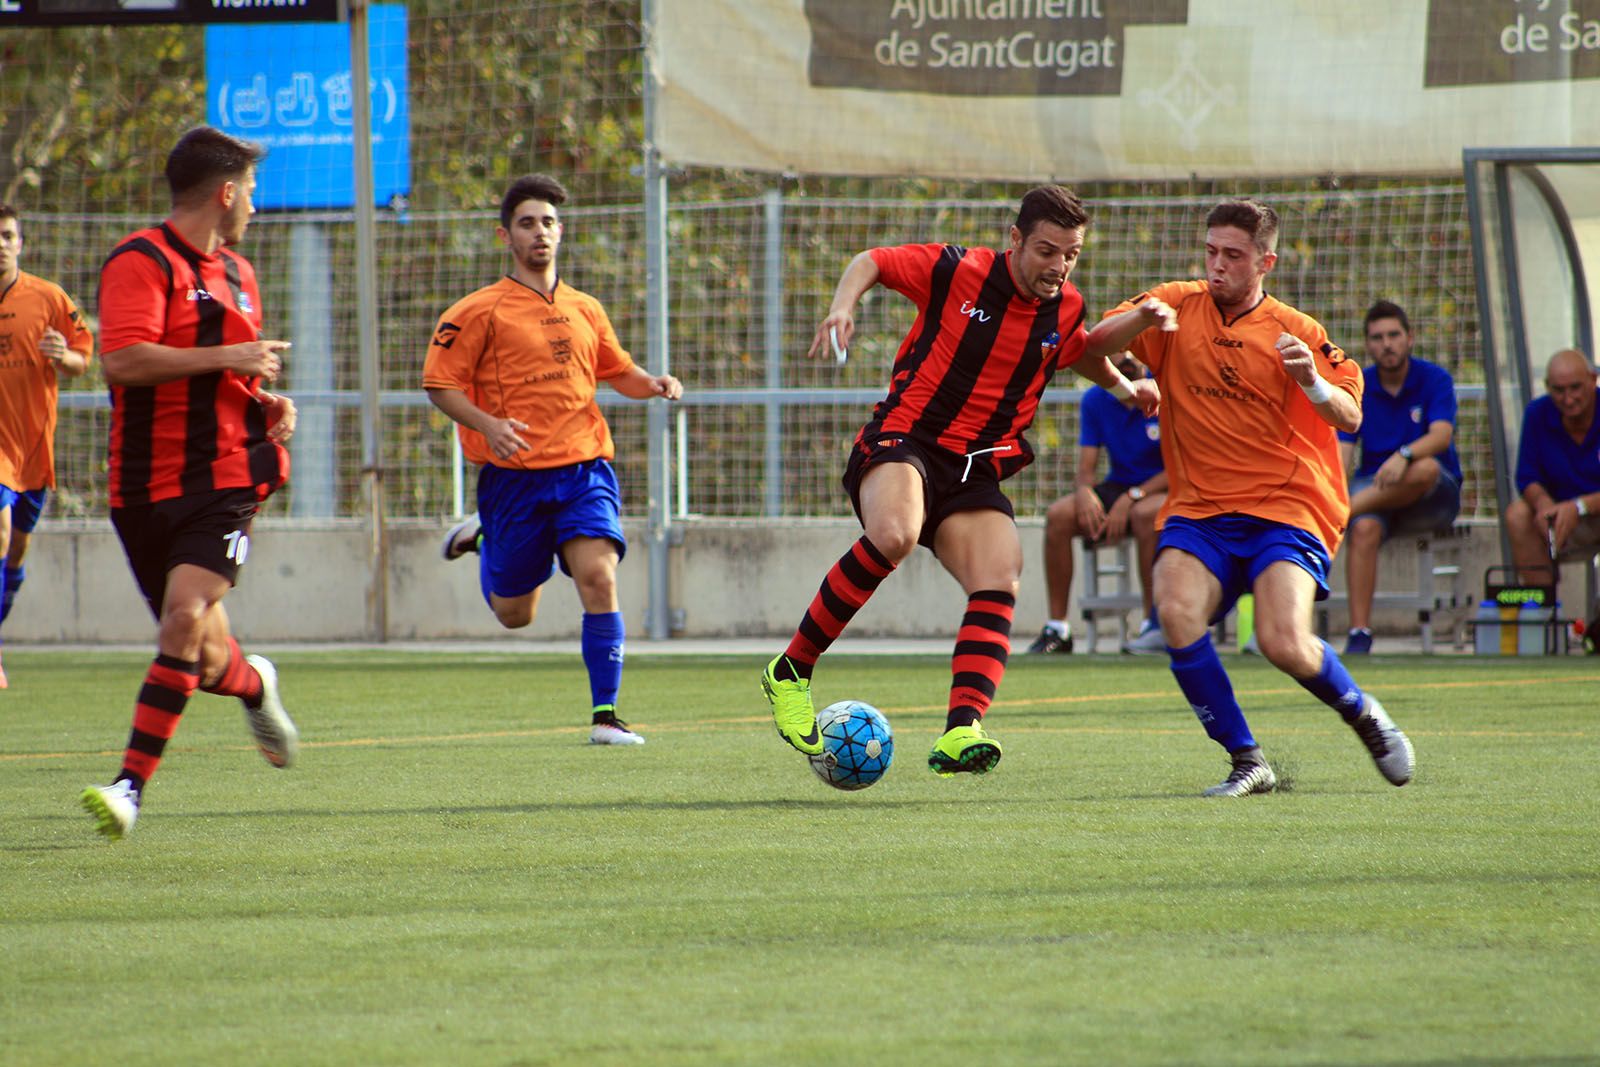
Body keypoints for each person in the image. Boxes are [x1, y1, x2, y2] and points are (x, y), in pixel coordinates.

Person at [760, 185, 1167, 775]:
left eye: (1070, 254)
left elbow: (1073, 352)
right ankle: (791, 671)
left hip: (977, 464)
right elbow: (871, 261)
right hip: (906, 438)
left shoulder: (1067, 305)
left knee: (1000, 578)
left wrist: (1129, 391)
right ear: (1015, 241)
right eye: (1047, 251)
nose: (1058, 266)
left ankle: (961, 729)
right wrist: (843, 305)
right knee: (896, 535)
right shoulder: (957, 270)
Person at [1095, 198, 1414, 797]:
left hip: (1287, 509)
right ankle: (1247, 759)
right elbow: (1092, 345)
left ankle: (1363, 713)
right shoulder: (1175, 305)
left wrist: (1311, 381)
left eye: (1233, 255)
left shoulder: (1299, 332)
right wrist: (1137, 333)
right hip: (1199, 510)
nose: (1217, 265)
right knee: (1175, 610)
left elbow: (1348, 416)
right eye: (1211, 251)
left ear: (1265, 261)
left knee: (1281, 640)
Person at [80, 126, 300, 840]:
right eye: (253, 195)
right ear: (225, 193)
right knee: (202, 655)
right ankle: (253, 682)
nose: (255, 210)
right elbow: (124, 362)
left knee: (181, 616)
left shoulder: (240, 272)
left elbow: (230, 376)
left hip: (228, 478)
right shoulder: (139, 261)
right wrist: (234, 355)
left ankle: (129, 786)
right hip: (144, 485)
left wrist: (267, 402)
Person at [426, 173, 681, 746]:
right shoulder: (476, 311)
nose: (539, 232)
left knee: (598, 576)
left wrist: (655, 383)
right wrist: (489, 426)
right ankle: (486, 539)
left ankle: (606, 716)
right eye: (526, 223)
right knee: (516, 615)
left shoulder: (586, 308)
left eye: (547, 222)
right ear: (505, 235)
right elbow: (440, 385)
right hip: (513, 482)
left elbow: (618, 372)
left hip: (584, 470)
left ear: (560, 232)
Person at [0, 204, 95, 689]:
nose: (0, 244)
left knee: (16, 550)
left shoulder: (48, 297)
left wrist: (66, 357)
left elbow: (83, 356)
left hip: (33, 447)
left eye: (6, 235)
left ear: (20, 243)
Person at [1336, 300, 1462, 654]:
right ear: (1368, 344)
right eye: (1377, 337)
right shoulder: (1358, 385)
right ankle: (1360, 633)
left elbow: (1440, 437)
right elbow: (1341, 456)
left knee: (1423, 467)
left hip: (1433, 496)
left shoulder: (1434, 378)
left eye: (1394, 335)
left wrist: (1403, 455)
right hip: (1378, 494)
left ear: (1410, 338)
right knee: (1363, 529)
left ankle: (1337, 515)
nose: (1386, 343)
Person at [1027, 352, 1168, 656]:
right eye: (1119, 348)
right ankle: (1057, 628)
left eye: (1134, 347)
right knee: (1059, 515)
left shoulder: (1167, 390)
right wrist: (1085, 494)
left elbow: (1180, 469)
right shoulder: (1095, 399)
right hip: (1119, 488)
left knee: (1147, 514)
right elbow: (1086, 472)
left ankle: (1152, 626)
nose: (1127, 356)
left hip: (1164, 488)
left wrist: (1132, 499)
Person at [1505, 349, 1600, 584]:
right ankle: (1541, 609)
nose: (1568, 399)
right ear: (1548, 386)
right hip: (1560, 517)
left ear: (1592, 379)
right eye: (1558, 390)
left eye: (1575, 388)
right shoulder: (1537, 413)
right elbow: (1526, 475)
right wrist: (1542, 503)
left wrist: (1579, 506)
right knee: (1518, 514)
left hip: (1590, 508)